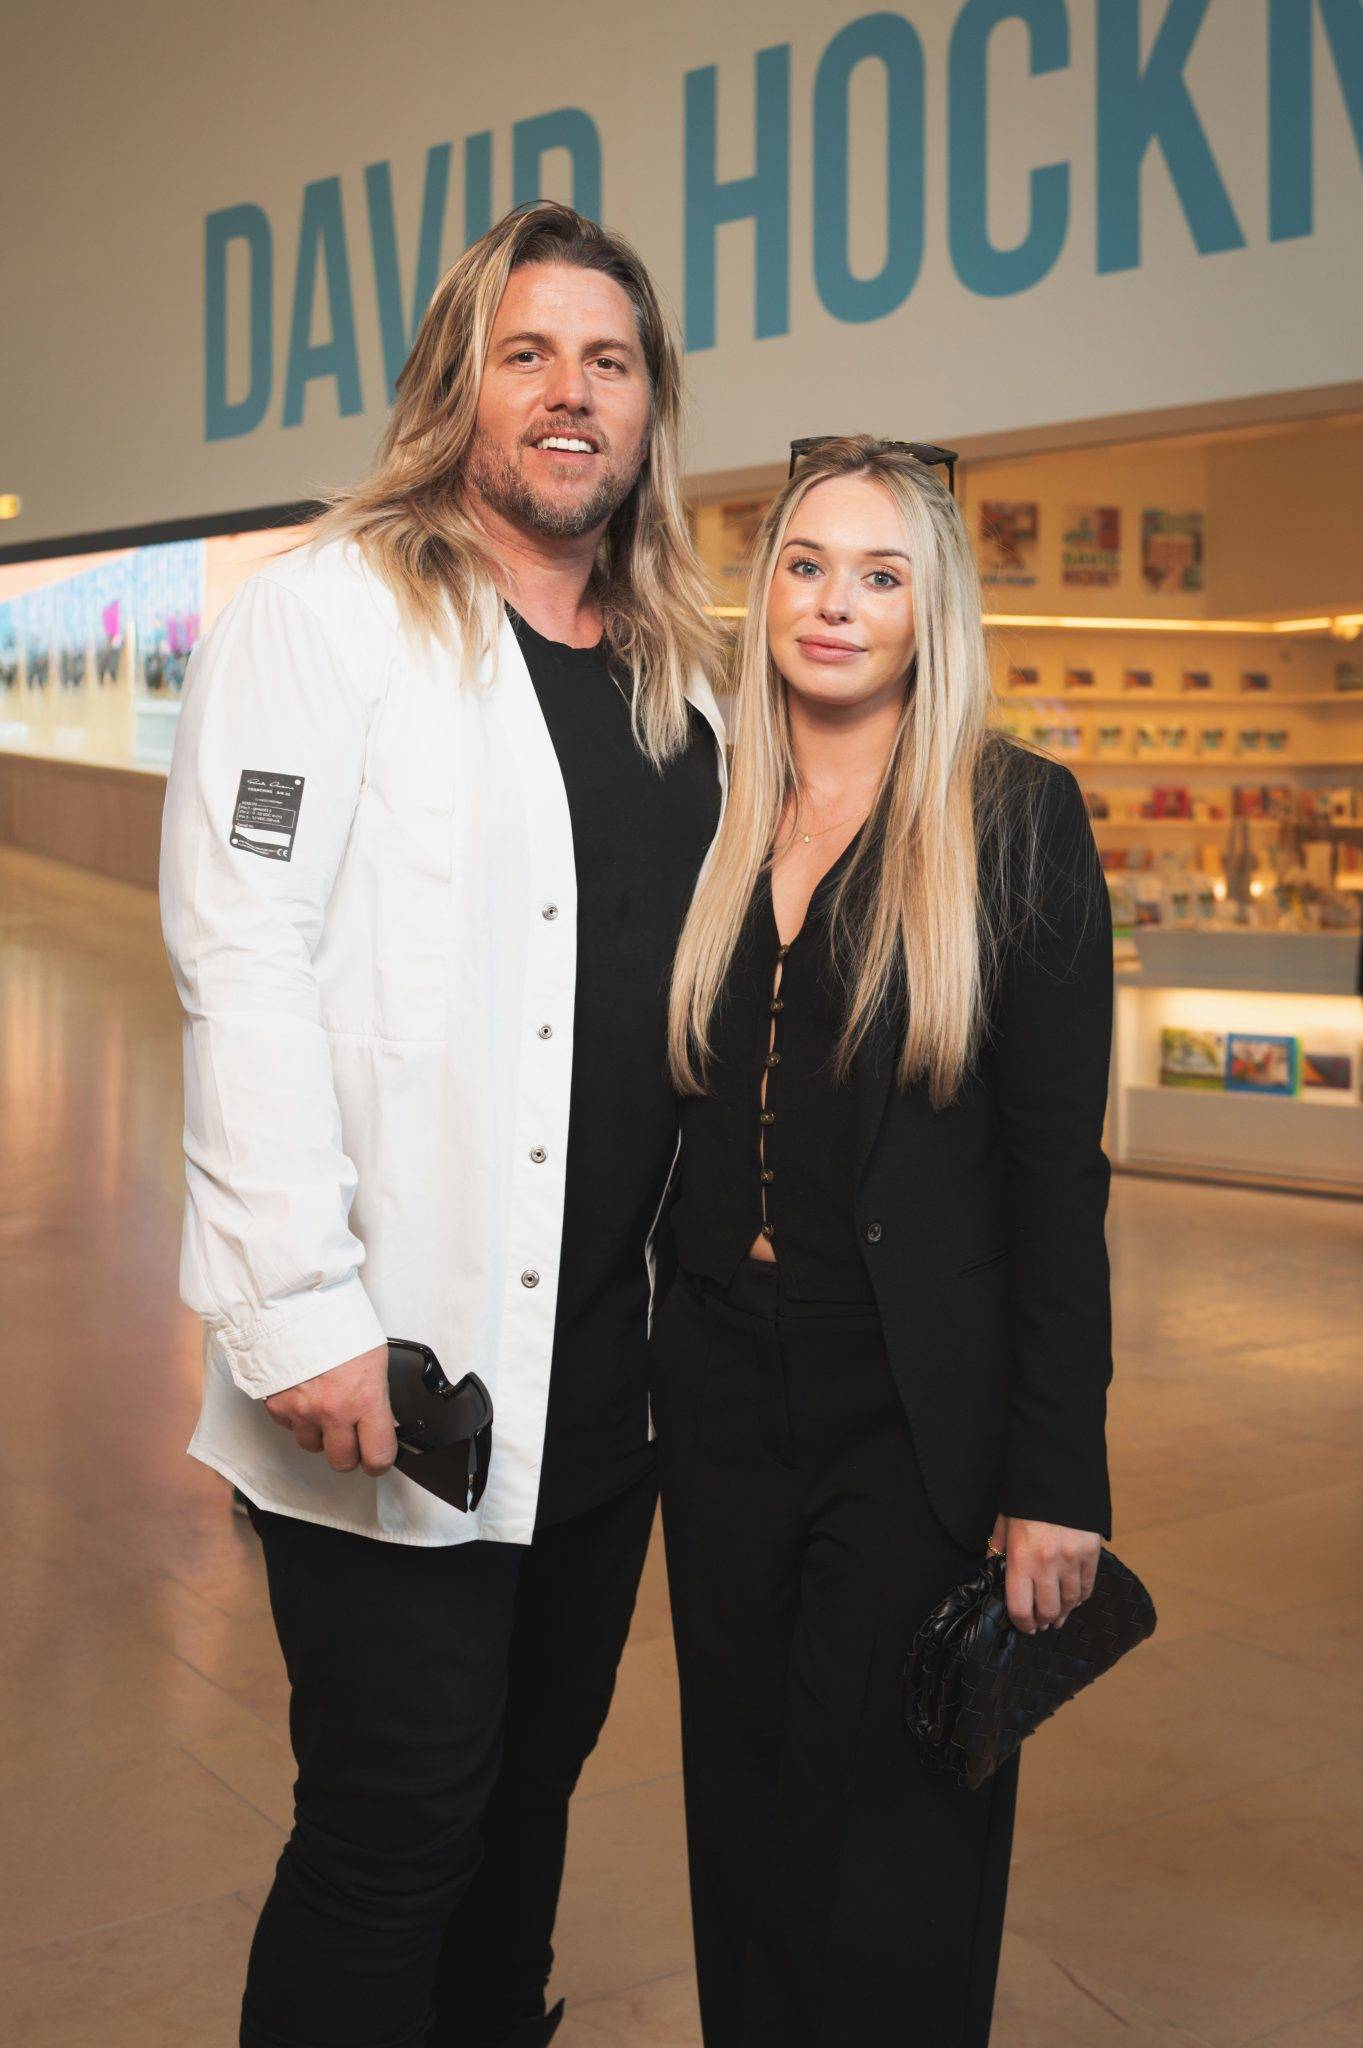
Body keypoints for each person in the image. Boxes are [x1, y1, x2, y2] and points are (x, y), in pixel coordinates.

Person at [159, 201, 725, 2048]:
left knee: (529, 1804)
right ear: (458, 382)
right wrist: (302, 1304)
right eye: (530, 353)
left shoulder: (682, 679)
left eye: (611, 362)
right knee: (397, 1819)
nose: (573, 395)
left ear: (649, 410)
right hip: (395, 1363)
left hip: (610, 1382)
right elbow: (238, 960)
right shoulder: (328, 613)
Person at [654, 435, 1114, 2046]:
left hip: (910, 1411)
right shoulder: (708, 802)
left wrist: (1056, 1477)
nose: (832, 605)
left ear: (935, 612)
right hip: (716, 1390)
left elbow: (1060, 1176)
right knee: (744, 1816)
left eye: (879, 575)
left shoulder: (1014, 822)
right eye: (802, 565)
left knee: (894, 1847)